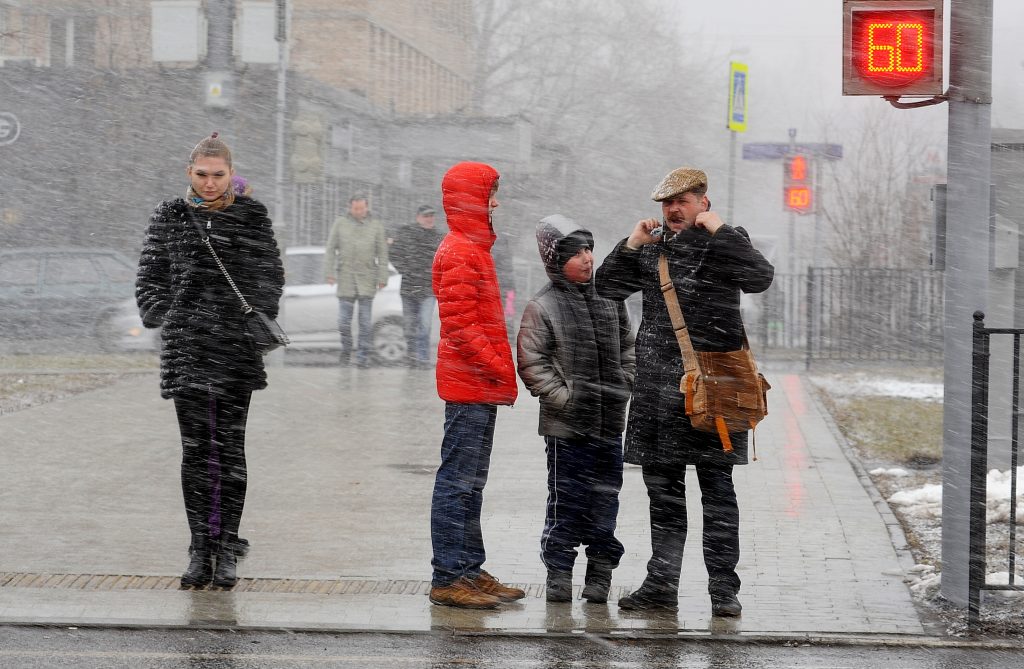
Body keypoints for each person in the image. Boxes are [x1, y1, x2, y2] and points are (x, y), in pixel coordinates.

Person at [594, 167, 774, 616]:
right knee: (664, 495)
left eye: (685, 201)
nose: (674, 210)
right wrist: (632, 242)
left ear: (703, 202)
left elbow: (759, 277)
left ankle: (723, 591)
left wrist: (721, 230)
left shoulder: (724, 242)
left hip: (714, 386)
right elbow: (607, 286)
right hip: (659, 390)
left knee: (717, 493)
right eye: (667, 203)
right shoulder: (654, 250)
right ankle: (661, 585)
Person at [135, 133, 285, 589]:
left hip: (234, 349)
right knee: (197, 452)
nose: (209, 183)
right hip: (187, 347)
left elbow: (269, 275)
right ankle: (201, 547)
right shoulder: (171, 215)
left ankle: (228, 546)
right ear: (189, 172)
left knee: (230, 451)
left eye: (218, 175)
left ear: (230, 174)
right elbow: (150, 272)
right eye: (201, 174)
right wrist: (164, 309)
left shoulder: (250, 216)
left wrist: (248, 320)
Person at [517, 215, 636, 604]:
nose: (587, 259)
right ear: (554, 261)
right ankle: (558, 573)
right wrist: (565, 399)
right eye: (576, 253)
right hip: (566, 430)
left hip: (608, 424)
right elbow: (533, 363)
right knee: (565, 500)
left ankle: (600, 572)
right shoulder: (543, 306)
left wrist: (623, 382)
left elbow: (628, 347)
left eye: (589, 250)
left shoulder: (609, 298)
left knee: (606, 500)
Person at [428, 161, 524, 609]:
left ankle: (467, 567)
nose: (496, 204)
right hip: (471, 386)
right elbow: (461, 327)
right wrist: (498, 369)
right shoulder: (462, 251)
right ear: (472, 200)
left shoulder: (472, 248)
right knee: (457, 483)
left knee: (471, 482)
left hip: (478, 386)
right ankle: (448, 575)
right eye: (491, 196)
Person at [323, 195, 389, 367]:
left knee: (365, 323)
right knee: (343, 322)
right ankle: (346, 348)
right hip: (346, 279)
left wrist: (383, 277)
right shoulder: (340, 223)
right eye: (355, 208)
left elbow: (382, 254)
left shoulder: (376, 225)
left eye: (362, 208)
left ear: (366, 208)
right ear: (350, 207)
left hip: (367, 280)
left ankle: (362, 356)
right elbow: (330, 250)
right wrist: (329, 273)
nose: (359, 211)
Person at [389, 204, 443, 368]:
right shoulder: (406, 234)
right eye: (426, 216)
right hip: (408, 288)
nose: (429, 219)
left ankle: (423, 358)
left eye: (431, 216)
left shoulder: (439, 237)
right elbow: (393, 253)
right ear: (418, 217)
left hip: (428, 289)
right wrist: (405, 269)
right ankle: (412, 355)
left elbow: (446, 258)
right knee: (409, 326)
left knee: (425, 325)